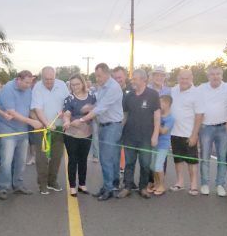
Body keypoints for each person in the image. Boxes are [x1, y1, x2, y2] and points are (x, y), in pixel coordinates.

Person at [74, 63, 123, 201]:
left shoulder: (113, 87)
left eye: (99, 75)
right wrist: (89, 107)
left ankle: (108, 188)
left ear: (107, 74)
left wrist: (82, 119)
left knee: (106, 159)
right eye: (96, 76)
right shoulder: (102, 87)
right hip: (104, 126)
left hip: (112, 126)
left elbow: (101, 109)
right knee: (110, 159)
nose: (97, 78)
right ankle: (111, 186)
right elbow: (97, 105)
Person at [0, 70, 43, 200]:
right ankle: (3, 187)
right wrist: (32, 122)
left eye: (30, 82)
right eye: (27, 82)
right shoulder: (8, 89)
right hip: (8, 129)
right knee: (6, 160)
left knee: (21, 160)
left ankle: (18, 185)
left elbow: (29, 109)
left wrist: (39, 121)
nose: (29, 85)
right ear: (19, 79)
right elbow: (12, 113)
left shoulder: (28, 90)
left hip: (22, 130)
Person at [118, 69, 160, 199]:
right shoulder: (128, 95)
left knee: (145, 164)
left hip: (146, 137)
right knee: (129, 163)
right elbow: (125, 115)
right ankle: (127, 187)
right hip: (129, 136)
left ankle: (143, 188)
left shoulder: (153, 94)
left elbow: (157, 116)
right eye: (132, 79)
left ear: (143, 80)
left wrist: (155, 135)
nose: (132, 81)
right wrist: (119, 130)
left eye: (135, 79)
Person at [31, 66, 69, 194]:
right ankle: (42, 183)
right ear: (42, 77)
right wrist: (46, 124)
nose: (49, 82)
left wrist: (65, 114)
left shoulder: (62, 85)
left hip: (58, 127)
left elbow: (67, 103)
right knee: (42, 157)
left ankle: (52, 181)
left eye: (51, 79)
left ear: (55, 76)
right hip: (43, 127)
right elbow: (38, 109)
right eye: (46, 79)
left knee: (57, 156)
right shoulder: (37, 87)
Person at [198, 66, 227, 196]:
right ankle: (204, 184)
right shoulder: (201, 88)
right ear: (208, 76)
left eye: (218, 74)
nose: (215, 76)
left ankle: (220, 184)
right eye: (212, 74)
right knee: (205, 157)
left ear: (222, 75)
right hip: (205, 127)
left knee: (222, 157)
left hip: (223, 127)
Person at [170, 69, 203, 195]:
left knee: (192, 160)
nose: (184, 80)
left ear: (191, 78)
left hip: (189, 133)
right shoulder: (173, 90)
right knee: (178, 159)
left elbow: (199, 115)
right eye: (182, 78)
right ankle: (180, 182)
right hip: (175, 132)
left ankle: (194, 185)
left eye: (186, 78)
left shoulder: (196, 93)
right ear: (178, 78)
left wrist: (194, 135)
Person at [62, 74, 96, 197]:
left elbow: (96, 110)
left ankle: (82, 184)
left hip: (87, 133)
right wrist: (66, 121)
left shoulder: (92, 96)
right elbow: (66, 113)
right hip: (71, 134)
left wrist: (90, 108)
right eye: (72, 85)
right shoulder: (69, 98)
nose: (75, 87)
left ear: (83, 83)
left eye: (77, 84)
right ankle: (72, 186)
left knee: (83, 160)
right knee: (73, 160)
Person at [150, 95, 175, 195]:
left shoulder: (170, 118)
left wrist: (157, 121)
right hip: (154, 144)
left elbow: (164, 131)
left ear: (167, 104)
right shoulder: (158, 115)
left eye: (161, 103)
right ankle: (156, 184)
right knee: (152, 166)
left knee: (158, 166)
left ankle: (161, 185)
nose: (158, 105)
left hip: (163, 145)